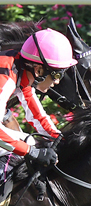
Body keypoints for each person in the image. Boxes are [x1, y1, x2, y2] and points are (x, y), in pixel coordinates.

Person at [0, 29, 74, 167]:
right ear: (38, 70)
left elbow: (38, 116)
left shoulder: (19, 70)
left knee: (27, 142)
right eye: (57, 74)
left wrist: (60, 139)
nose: (57, 81)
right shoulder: (6, 78)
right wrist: (32, 152)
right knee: (27, 143)